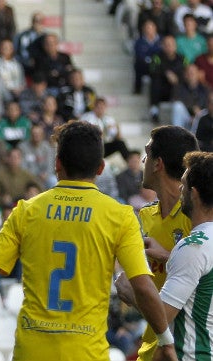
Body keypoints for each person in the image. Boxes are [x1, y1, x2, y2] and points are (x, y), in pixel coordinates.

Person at [0, 121, 178, 361]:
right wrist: (165, 340)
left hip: (32, 352)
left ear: (57, 164)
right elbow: (143, 286)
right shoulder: (119, 216)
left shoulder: (26, 211)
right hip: (85, 352)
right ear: (101, 168)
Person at [115, 125, 199, 361]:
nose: (142, 159)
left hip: (188, 350)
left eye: (147, 153)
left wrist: (135, 294)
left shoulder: (196, 218)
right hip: (154, 348)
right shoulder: (145, 216)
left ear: (157, 164)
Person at [157, 151, 213, 360]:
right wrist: (167, 255)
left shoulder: (193, 246)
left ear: (195, 193)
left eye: (183, 184)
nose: (180, 189)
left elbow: (161, 316)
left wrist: (132, 291)